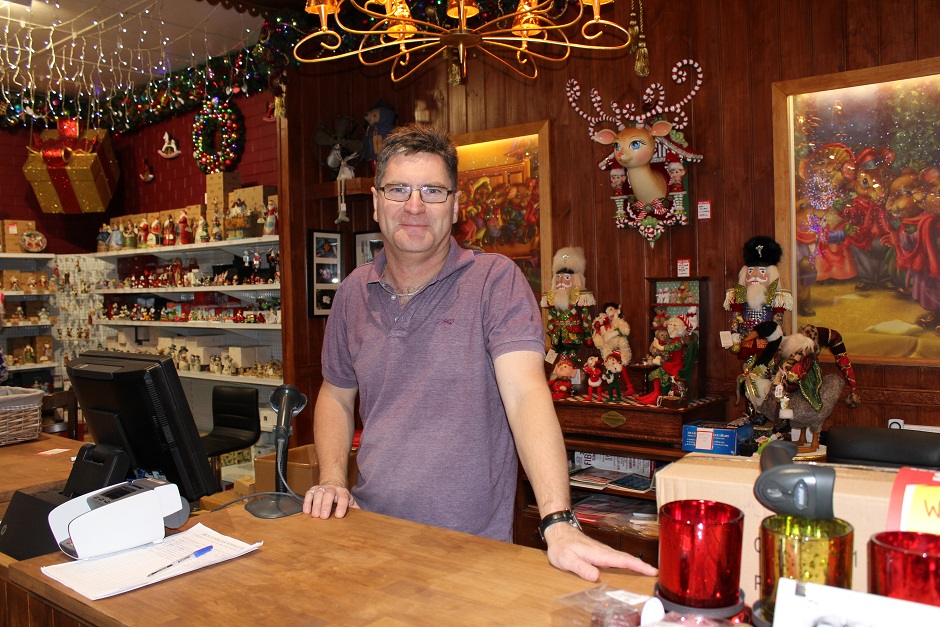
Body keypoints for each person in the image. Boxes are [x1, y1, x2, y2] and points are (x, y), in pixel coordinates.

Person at [303, 124, 657, 583]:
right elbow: (335, 393)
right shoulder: (352, 292)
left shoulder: (495, 281)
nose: (414, 206)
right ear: (375, 202)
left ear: (454, 206)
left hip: (471, 551)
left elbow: (526, 395)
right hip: (372, 532)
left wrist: (557, 519)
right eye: (398, 190)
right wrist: (333, 478)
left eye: (432, 190)